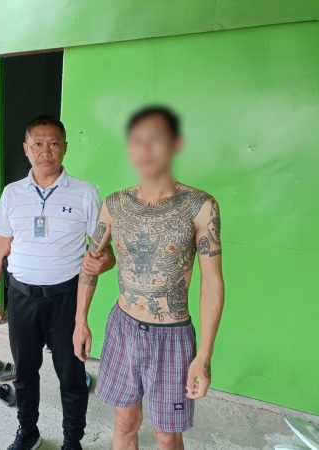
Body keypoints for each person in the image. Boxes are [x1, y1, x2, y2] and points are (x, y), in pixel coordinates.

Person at [73, 106, 225, 450]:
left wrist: (204, 354)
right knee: (125, 422)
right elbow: (91, 262)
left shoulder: (200, 206)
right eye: (137, 141)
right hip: (122, 327)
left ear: (175, 144)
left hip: (172, 335)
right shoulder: (115, 204)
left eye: (156, 139)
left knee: (167, 435)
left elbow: (212, 282)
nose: (145, 149)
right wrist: (80, 320)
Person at [0, 115, 115, 450]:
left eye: (54, 144)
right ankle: (28, 432)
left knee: (71, 375)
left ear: (65, 148)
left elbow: (104, 252)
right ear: (26, 149)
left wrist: (104, 261)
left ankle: (73, 440)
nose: (46, 151)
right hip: (21, 297)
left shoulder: (86, 193)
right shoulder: (12, 193)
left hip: (66, 300)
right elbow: (0, 247)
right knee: (25, 373)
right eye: (38, 144)